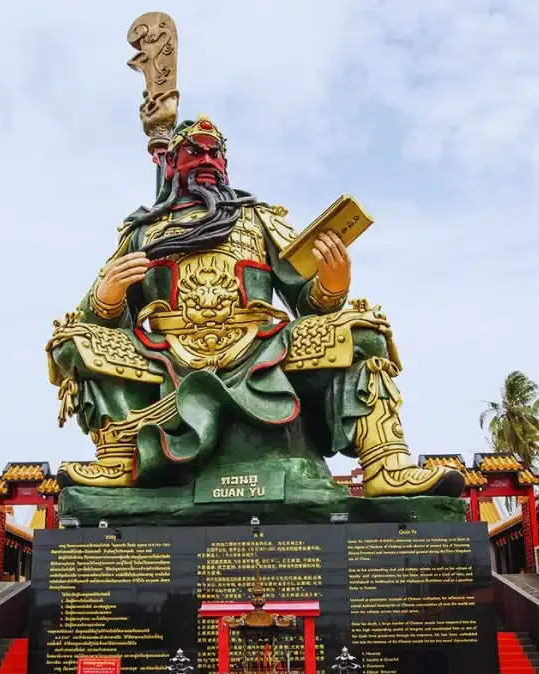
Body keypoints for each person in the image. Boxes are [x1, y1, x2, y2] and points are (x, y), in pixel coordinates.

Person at [46, 116, 463, 498]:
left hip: (262, 347)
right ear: (172, 164)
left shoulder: (257, 218)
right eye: (197, 152)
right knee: (74, 343)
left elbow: (307, 301)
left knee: (362, 332)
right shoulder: (143, 231)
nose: (208, 159)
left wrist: (331, 286)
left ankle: (385, 463)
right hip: (167, 354)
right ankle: (119, 459)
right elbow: (97, 316)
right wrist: (107, 297)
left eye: (216, 152)